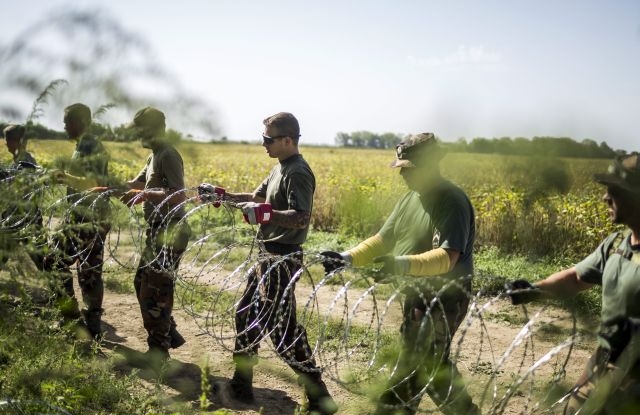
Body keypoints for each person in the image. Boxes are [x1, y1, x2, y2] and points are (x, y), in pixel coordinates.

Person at [321, 133, 479, 415]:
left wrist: (402, 264)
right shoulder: (410, 199)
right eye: (402, 168)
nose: (403, 174)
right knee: (430, 364)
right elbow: (384, 239)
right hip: (417, 293)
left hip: (446, 296)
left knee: (417, 365)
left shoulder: (451, 201)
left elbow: (448, 257)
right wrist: (347, 258)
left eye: (409, 168)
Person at [198, 112, 337, 415]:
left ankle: (319, 396)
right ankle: (242, 385)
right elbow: (256, 197)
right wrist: (222, 196)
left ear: (288, 140)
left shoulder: (297, 172)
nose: (263, 144)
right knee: (246, 314)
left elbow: (301, 216)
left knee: (282, 331)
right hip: (267, 256)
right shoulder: (280, 168)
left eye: (267, 139)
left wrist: (265, 215)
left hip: (282, 258)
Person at [506, 152, 640, 415]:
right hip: (604, 361)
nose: (605, 197)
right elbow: (578, 277)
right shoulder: (615, 245)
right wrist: (535, 290)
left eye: (614, 190)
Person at [120, 106, 190, 362]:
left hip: (170, 231)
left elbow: (178, 194)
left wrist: (145, 195)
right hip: (158, 230)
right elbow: (138, 183)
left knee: (155, 292)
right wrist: (109, 186)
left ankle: (159, 353)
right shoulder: (153, 156)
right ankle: (169, 333)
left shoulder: (168, 154)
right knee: (141, 283)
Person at [43, 103, 111, 338]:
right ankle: (78, 321)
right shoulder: (82, 146)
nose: (64, 127)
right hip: (78, 216)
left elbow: (92, 183)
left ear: (79, 122)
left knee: (84, 270)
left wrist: (64, 177)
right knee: (67, 265)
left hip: (90, 217)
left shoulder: (91, 146)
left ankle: (84, 323)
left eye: (66, 122)